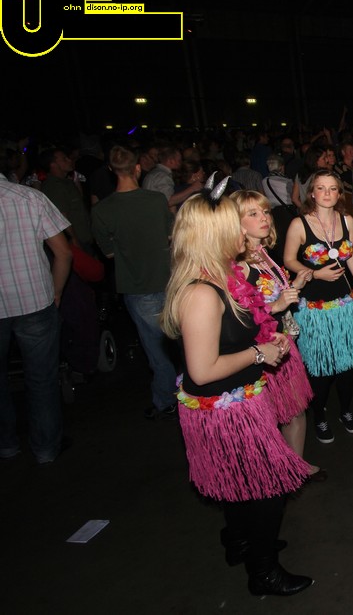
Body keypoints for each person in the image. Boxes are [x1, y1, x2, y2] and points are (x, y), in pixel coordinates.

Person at [158, 184, 312, 597]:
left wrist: (265, 332)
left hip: (238, 402)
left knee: (240, 484)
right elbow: (203, 370)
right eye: (234, 225)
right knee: (267, 490)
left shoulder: (221, 277)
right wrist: (259, 353)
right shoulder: (201, 293)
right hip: (224, 410)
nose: (242, 232)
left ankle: (241, 542)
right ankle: (263, 572)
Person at [230, 190, 325, 480]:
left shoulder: (262, 254)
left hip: (283, 343)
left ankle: (295, 468)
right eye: (253, 213)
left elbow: (274, 297)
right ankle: (275, 474)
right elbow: (239, 317)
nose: (264, 218)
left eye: (265, 212)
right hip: (262, 351)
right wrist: (277, 305)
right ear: (234, 222)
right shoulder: (236, 264)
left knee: (295, 410)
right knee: (270, 418)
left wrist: (295, 285)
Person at [283, 170, 353, 443]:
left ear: (339, 193)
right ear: (312, 193)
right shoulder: (299, 224)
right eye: (321, 188)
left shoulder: (347, 220)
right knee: (320, 367)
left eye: (333, 188)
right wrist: (315, 273)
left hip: (344, 305)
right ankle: (319, 415)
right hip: (313, 308)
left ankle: (345, 411)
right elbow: (288, 260)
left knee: (346, 365)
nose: (327, 193)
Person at [91, 145, 179, 419]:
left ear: (111, 170)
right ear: (138, 168)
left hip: (138, 287)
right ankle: (195, 394)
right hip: (170, 281)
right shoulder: (156, 200)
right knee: (182, 343)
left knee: (156, 351)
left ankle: (166, 401)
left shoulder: (102, 210)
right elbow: (170, 236)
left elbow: (108, 253)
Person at [0, 177, 73, 463]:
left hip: (29, 303)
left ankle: (6, 445)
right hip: (33, 300)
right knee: (41, 378)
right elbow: (63, 253)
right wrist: (56, 291)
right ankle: (45, 449)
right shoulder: (29, 197)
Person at [143, 144, 202, 210]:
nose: (180, 163)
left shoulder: (154, 173)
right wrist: (192, 188)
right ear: (170, 161)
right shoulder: (163, 176)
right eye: (179, 161)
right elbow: (168, 201)